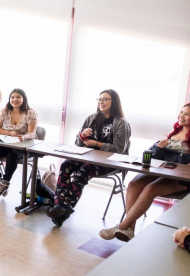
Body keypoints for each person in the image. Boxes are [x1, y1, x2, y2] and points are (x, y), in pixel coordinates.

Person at [100, 102, 190, 241]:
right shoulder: (174, 133)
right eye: (182, 112)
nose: (182, 116)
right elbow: (152, 157)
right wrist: (159, 148)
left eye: (187, 114)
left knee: (151, 188)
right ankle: (130, 230)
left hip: (183, 180)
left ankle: (122, 227)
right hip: (163, 173)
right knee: (134, 183)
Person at [47, 89, 131, 227]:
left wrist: (97, 144)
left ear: (113, 102)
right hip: (88, 157)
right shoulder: (91, 118)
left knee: (83, 171)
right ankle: (60, 206)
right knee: (65, 165)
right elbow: (77, 143)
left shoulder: (121, 123)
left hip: (109, 162)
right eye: (99, 99)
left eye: (105, 99)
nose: (101, 102)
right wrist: (82, 137)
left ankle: (61, 211)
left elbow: (119, 150)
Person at [0, 89, 38, 197]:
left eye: (18, 97)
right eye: (12, 97)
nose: (14, 99)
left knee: (13, 154)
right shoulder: (5, 111)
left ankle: (5, 183)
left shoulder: (30, 112)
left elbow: (32, 133)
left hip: (25, 145)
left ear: (24, 99)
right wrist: (9, 133)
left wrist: (24, 136)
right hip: (9, 142)